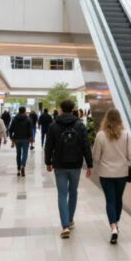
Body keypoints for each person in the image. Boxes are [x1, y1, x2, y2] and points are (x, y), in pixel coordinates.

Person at [92, 109, 131, 244]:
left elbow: (95, 157)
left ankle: (113, 227)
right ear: (119, 119)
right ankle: (116, 222)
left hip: (106, 173)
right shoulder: (126, 135)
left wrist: (97, 164)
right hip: (121, 174)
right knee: (118, 199)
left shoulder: (100, 136)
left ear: (106, 119)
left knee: (110, 200)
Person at [45, 99, 93, 239]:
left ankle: (65, 225)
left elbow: (48, 146)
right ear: (73, 109)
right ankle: (70, 219)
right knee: (73, 192)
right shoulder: (80, 125)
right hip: (76, 164)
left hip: (59, 164)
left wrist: (48, 162)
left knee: (62, 194)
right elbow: (86, 146)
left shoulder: (54, 125)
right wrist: (89, 164)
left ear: (60, 109)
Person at [9, 107, 34, 177]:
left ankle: (18, 168)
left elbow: (10, 129)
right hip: (26, 139)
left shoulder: (14, 119)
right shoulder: (28, 119)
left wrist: (11, 137)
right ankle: (23, 166)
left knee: (18, 154)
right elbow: (30, 130)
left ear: (18, 111)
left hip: (17, 139)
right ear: (25, 111)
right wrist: (31, 138)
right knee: (25, 153)